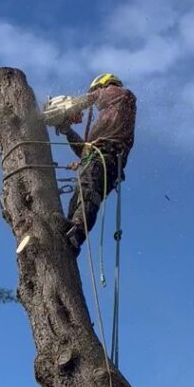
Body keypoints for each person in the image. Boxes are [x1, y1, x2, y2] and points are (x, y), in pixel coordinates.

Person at [58, 73, 137, 254]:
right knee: (77, 202)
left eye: (96, 92)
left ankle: (76, 231)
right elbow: (84, 151)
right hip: (96, 160)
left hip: (106, 156)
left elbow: (93, 97)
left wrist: (65, 109)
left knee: (88, 194)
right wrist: (67, 130)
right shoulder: (105, 121)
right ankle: (70, 240)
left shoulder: (121, 95)